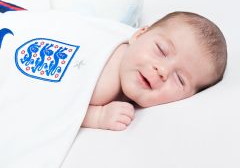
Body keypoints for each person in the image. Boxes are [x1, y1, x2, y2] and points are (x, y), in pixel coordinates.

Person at [82, 11, 227, 131]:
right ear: (139, 35)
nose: (163, 70)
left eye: (180, 79)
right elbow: (61, 100)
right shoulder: (106, 83)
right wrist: (97, 116)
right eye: (161, 50)